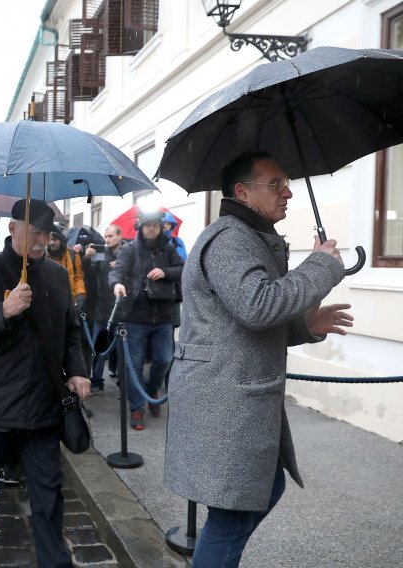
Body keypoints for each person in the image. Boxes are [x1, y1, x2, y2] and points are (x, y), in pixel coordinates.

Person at [164, 151, 353, 567]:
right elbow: (258, 306)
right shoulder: (231, 238)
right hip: (224, 400)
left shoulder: (250, 236)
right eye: (275, 184)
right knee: (232, 518)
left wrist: (308, 325)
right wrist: (321, 266)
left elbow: (247, 323)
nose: (287, 192)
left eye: (286, 183)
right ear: (242, 191)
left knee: (264, 491)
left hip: (236, 397)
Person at [0, 199, 91, 568]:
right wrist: (3, 312)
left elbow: (71, 333)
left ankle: (53, 559)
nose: (43, 239)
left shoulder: (58, 276)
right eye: (36, 232)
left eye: (47, 233)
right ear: (13, 229)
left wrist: (77, 370)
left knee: (48, 492)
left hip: (44, 405)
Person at [110, 210, 184, 429]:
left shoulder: (168, 249)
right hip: (135, 317)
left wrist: (165, 272)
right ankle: (137, 407)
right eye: (147, 225)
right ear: (140, 227)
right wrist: (117, 285)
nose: (151, 229)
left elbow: (184, 269)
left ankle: (151, 389)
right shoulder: (129, 249)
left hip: (163, 318)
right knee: (135, 364)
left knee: (164, 359)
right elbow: (117, 273)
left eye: (155, 225)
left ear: (161, 227)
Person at [82, 224, 124, 393]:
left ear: (120, 236)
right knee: (99, 349)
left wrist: (122, 266)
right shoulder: (101, 252)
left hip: (121, 309)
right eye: (105, 236)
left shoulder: (127, 253)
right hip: (101, 308)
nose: (107, 239)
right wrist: (86, 258)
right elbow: (90, 274)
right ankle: (97, 380)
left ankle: (123, 383)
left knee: (123, 350)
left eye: (111, 236)